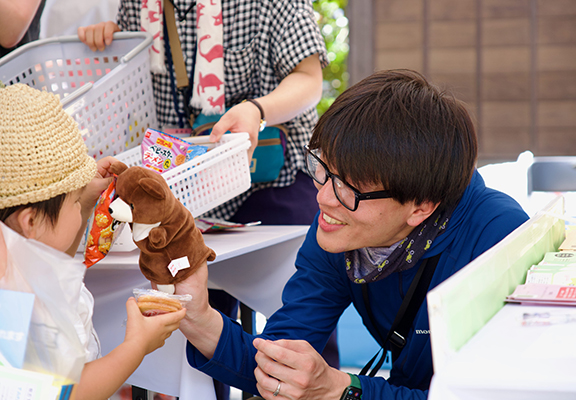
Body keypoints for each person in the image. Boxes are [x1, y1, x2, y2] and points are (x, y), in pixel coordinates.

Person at [173, 69, 530, 399]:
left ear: (422, 206)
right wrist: (199, 317)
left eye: (351, 188)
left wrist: (343, 389)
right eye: (322, 169)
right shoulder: (336, 230)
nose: (324, 198)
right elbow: (278, 363)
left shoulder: (499, 240)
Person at [77, 3, 338, 397]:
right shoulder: (137, 5)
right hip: (182, 191)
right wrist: (107, 44)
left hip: (273, 180)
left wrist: (256, 110)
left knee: (307, 311)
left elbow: (309, 80)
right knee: (191, 325)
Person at [0, 83, 185, 400]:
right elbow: (64, 393)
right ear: (30, 220)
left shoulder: (19, 253)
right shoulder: (11, 304)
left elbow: (51, 250)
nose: (78, 207)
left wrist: (83, 205)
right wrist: (136, 346)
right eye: (72, 201)